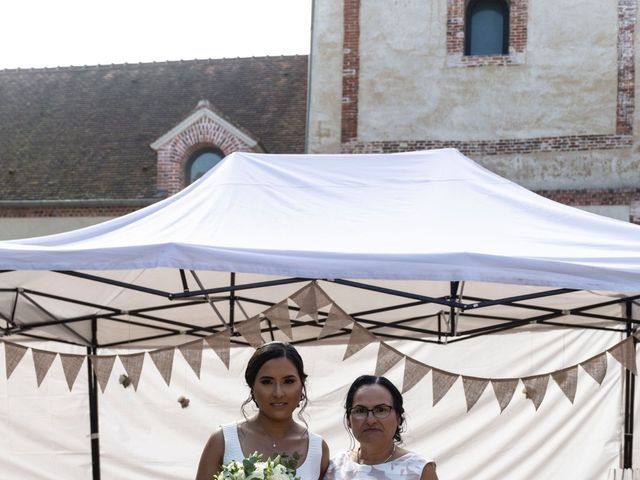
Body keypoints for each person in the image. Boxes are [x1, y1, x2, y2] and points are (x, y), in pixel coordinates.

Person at [195, 341, 330, 480]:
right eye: (267, 382)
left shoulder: (318, 449)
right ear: (252, 386)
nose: (278, 393)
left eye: (288, 381)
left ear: (302, 384)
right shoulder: (223, 440)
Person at [324, 375, 438, 480]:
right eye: (360, 411)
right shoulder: (335, 467)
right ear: (348, 420)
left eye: (381, 410)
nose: (370, 420)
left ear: (398, 417)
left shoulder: (419, 470)